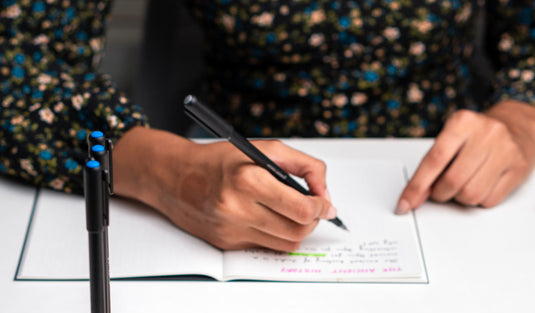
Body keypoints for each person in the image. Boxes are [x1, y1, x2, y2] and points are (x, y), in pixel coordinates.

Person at [1, 0, 534, 253]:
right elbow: (18, 60)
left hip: (452, 177)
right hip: (221, 160)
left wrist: (521, 118)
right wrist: (169, 173)